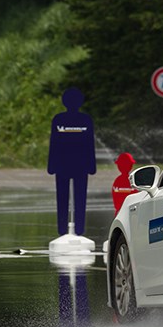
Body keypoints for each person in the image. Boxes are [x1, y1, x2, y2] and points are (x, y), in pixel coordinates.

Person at [48, 88, 96, 236]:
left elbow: (53, 144)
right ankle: (79, 230)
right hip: (81, 165)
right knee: (80, 199)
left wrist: (51, 165)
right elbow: (90, 145)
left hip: (62, 165)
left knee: (62, 199)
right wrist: (92, 165)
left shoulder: (59, 119)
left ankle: (62, 230)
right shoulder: (85, 120)